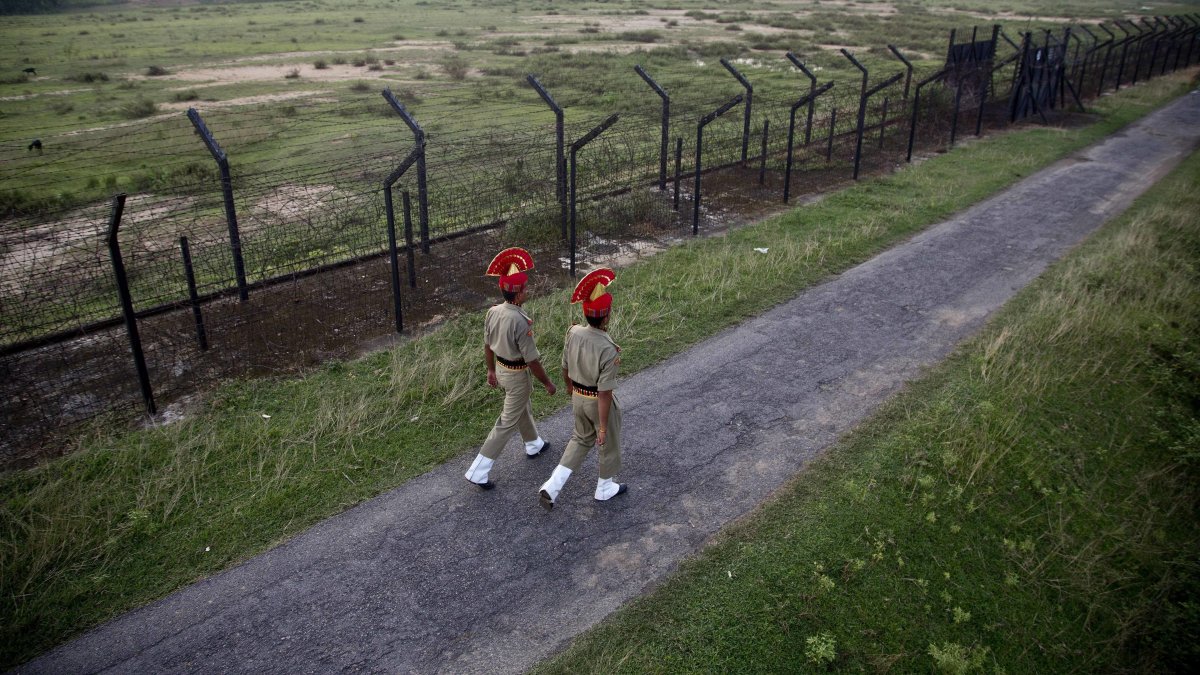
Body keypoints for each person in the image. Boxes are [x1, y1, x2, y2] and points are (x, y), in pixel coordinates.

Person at [464, 247, 557, 489]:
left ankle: (533, 444)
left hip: (501, 370)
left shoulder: (493, 312)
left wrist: (491, 370)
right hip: (517, 376)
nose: (527, 291)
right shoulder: (520, 321)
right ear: (517, 294)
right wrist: (547, 382)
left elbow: (487, 345)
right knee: (506, 421)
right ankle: (478, 471)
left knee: (521, 408)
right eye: (525, 288)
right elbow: (532, 360)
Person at [539, 268, 627, 510]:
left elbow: (564, 365)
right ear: (606, 316)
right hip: (597, 402)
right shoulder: (609, 349)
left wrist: (569, 387)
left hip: (578, 397)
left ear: (585, 313)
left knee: (579, 439)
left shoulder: (574, 332)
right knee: (607, 442)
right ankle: (605, 487)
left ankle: (552, 485)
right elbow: (605, 392)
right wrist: (601, 426)